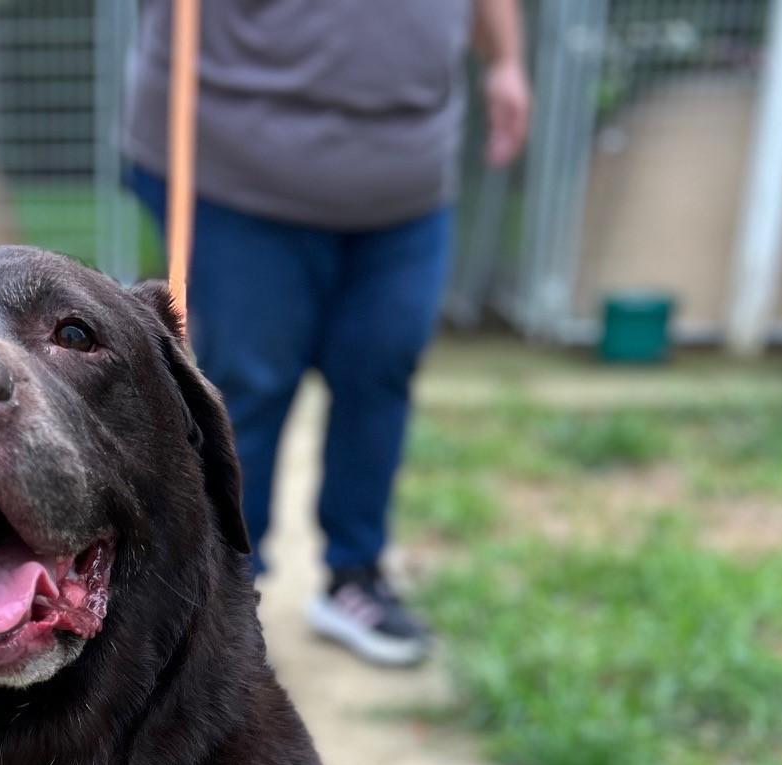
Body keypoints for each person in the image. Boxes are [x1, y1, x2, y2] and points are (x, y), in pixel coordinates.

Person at [125, 0, 531, 666]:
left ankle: (356, 575)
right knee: (247, 382)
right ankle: (222, 594)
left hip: (408, 176)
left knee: (382, 366)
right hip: (237, 164)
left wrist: (507, 60)